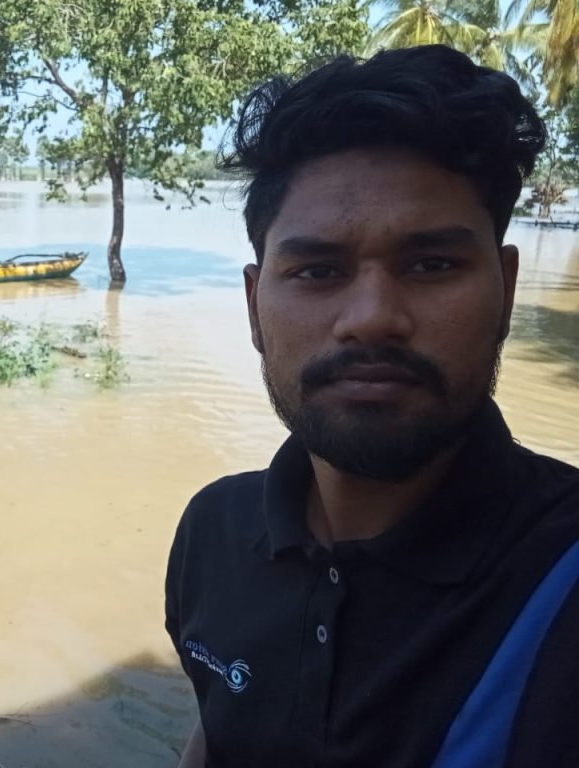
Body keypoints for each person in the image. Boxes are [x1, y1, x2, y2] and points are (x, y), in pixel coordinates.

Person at [165, 45, 579, 768]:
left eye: (430, 265)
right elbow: (217, 729)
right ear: (255, 309)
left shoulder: (560, 580)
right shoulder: (214, 533)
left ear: (506, 292)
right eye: (318, 270)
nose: (373, 318)